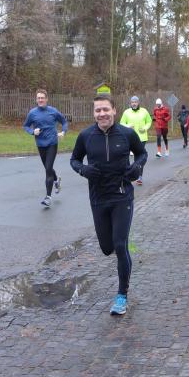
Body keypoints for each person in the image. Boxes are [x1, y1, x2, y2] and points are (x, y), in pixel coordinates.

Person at [70, 96, 148, 315]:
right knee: (107, 248)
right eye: (98, 110)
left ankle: (121, 296)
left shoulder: (126, 134)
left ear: (114, 110)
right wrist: (83, 170)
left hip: (122, 196)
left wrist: (137, 167)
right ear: (94, 113)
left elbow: (142, 153)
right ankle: (118, 247)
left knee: (120, 245)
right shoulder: (86, 136)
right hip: (98, 198)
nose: (102, 114)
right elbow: (74, 160)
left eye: (105, 109)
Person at [23, 89, 68, 208]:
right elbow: (26, 126)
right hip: (40, 144)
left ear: (46, 99)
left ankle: (48, 197)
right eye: (38, 98)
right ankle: (56, 180)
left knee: (48, 169)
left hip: (52, 143)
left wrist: (63, 132)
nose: (40, 100)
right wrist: (33, 132)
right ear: (36, 99)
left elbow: (64, 121)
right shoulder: (32, 113)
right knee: (48, 168)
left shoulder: (53, 111)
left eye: (42, 98)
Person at [120, 96, 152, 185]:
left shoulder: (144, 111)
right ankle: (127, 174)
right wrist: (128, 126)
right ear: (130, 103)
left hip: (141, 138)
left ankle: (139, 176)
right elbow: (122, 123)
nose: (134, 104)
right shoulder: (126, 112)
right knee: (125, 156)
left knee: (139, 158)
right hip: (129, 138)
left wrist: (145, 128)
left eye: (135, 102)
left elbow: (149, 121)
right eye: (132, 102)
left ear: (138, 103)